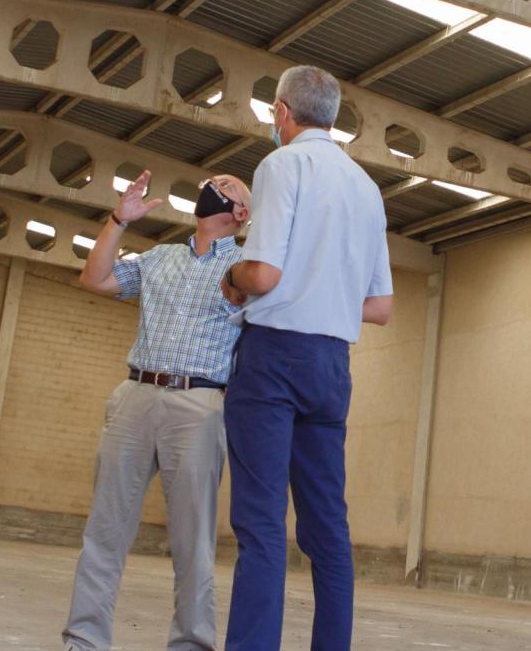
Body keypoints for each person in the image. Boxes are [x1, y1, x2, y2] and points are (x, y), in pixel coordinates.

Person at [218, 65, 394, 651]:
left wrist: (232, 275)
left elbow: (264, 273)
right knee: (328, 529)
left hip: (274, 360)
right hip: (331, 366)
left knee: (263, 526)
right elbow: (381, 306)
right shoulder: (366, 188)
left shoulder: (282, 165)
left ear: (282, 112)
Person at [64, 169, 252, 651]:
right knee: (104, 529)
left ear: (240, 214)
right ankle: (83, 640)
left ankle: (191, 643)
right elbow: (96, 278)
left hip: (200, 401)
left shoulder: (248, 267)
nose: (213, 183)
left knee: (193, 541)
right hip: (136, 394)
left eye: (227, 185)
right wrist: (117, 221)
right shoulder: (160, 256)